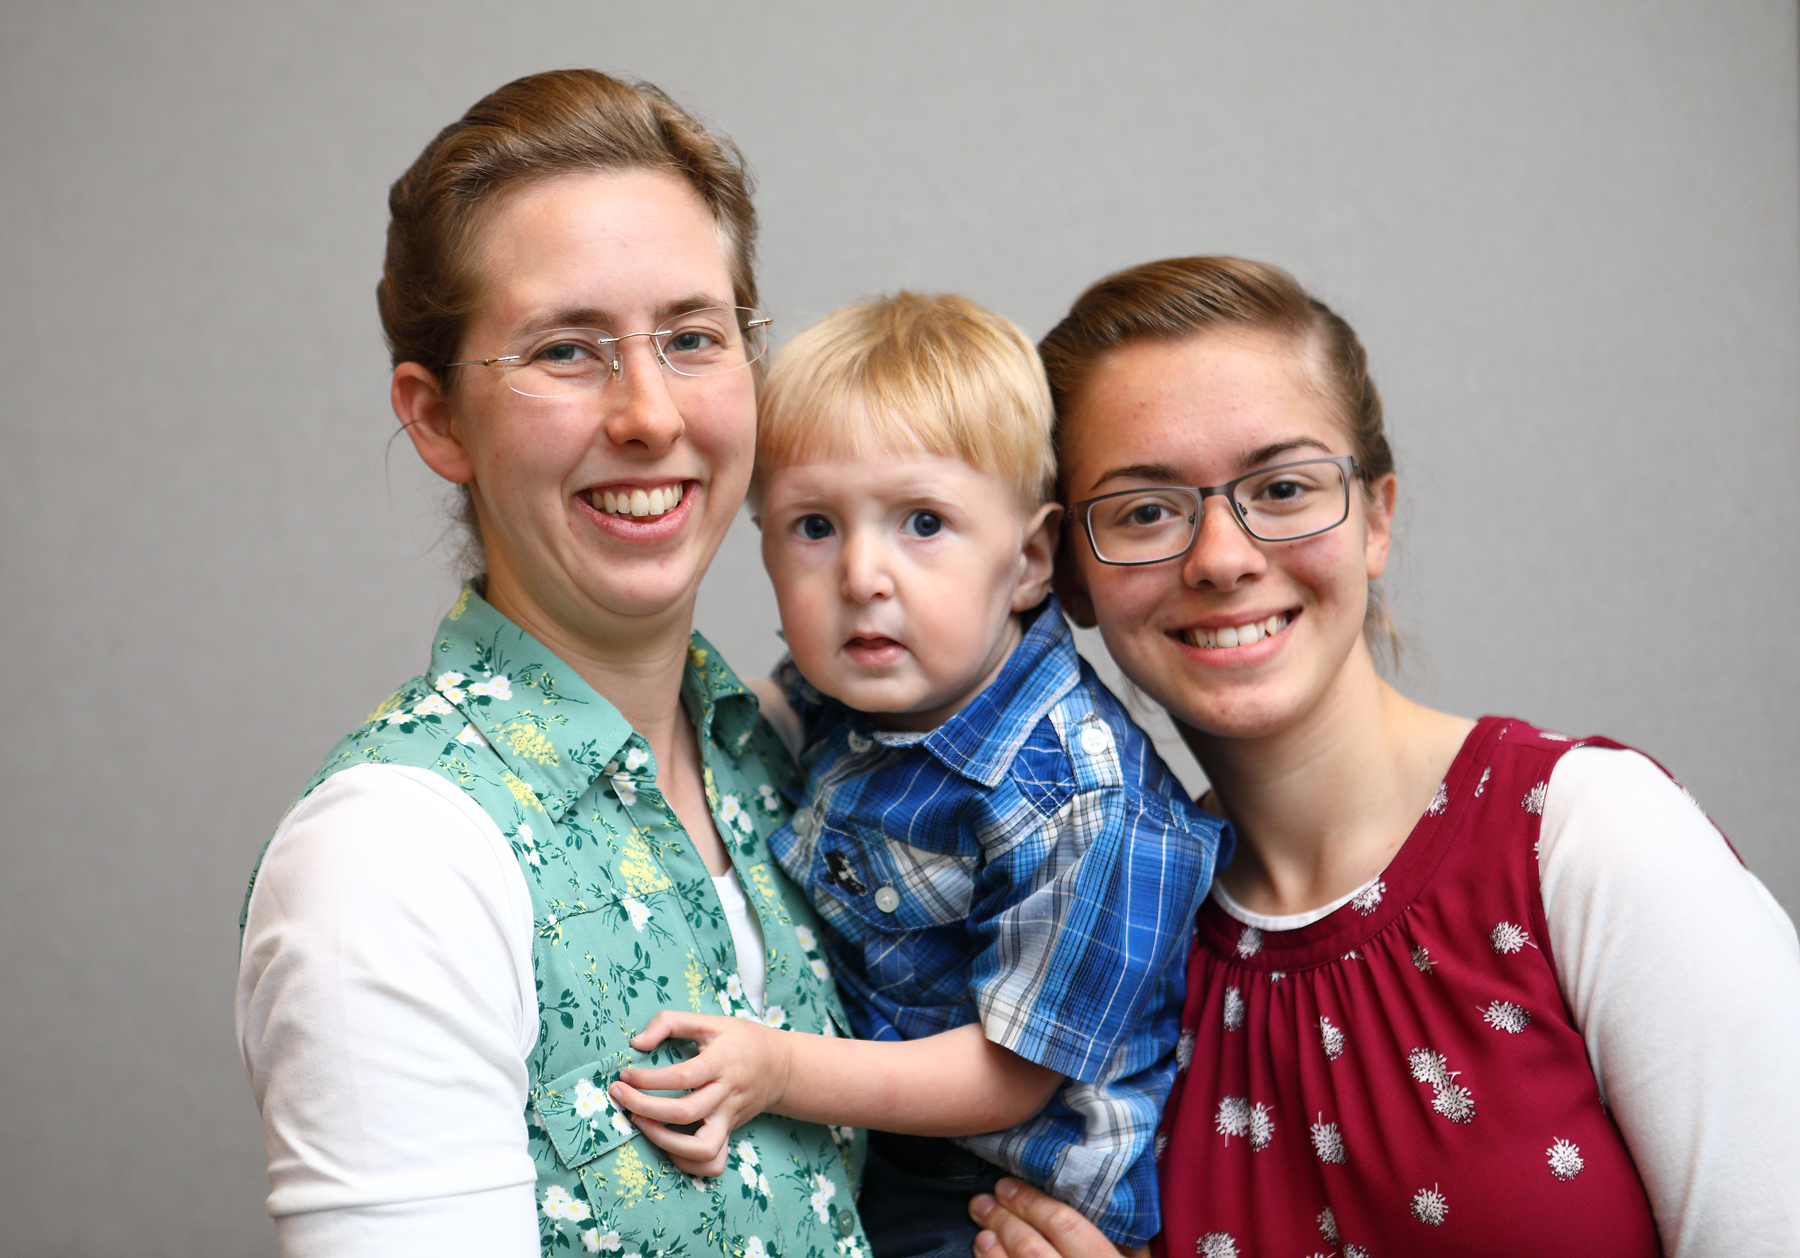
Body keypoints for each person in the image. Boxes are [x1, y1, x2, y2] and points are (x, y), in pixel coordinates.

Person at [963, 257, 1800, 1256]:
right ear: (1070, 578)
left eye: (1281, 487)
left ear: (1377, 518)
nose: (1222, 557)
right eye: (1144, 510)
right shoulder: (1112, 946)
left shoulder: (1588, 837)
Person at [234, 70, 869, 1258]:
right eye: (566, 351)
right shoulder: (391, 863)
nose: (649, 415)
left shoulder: (793, 761)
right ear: (435, 419)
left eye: (692, 336)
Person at [602, 293, 1231, 1258]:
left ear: (1027, 561)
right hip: (881, 1138)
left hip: (999, 1198)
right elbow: (755, 728)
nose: (861, 574)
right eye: (814, 526)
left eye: (923, 523)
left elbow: (1009, 1075)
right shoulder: (869, 681)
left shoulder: (1082, 799)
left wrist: (779, 1070)